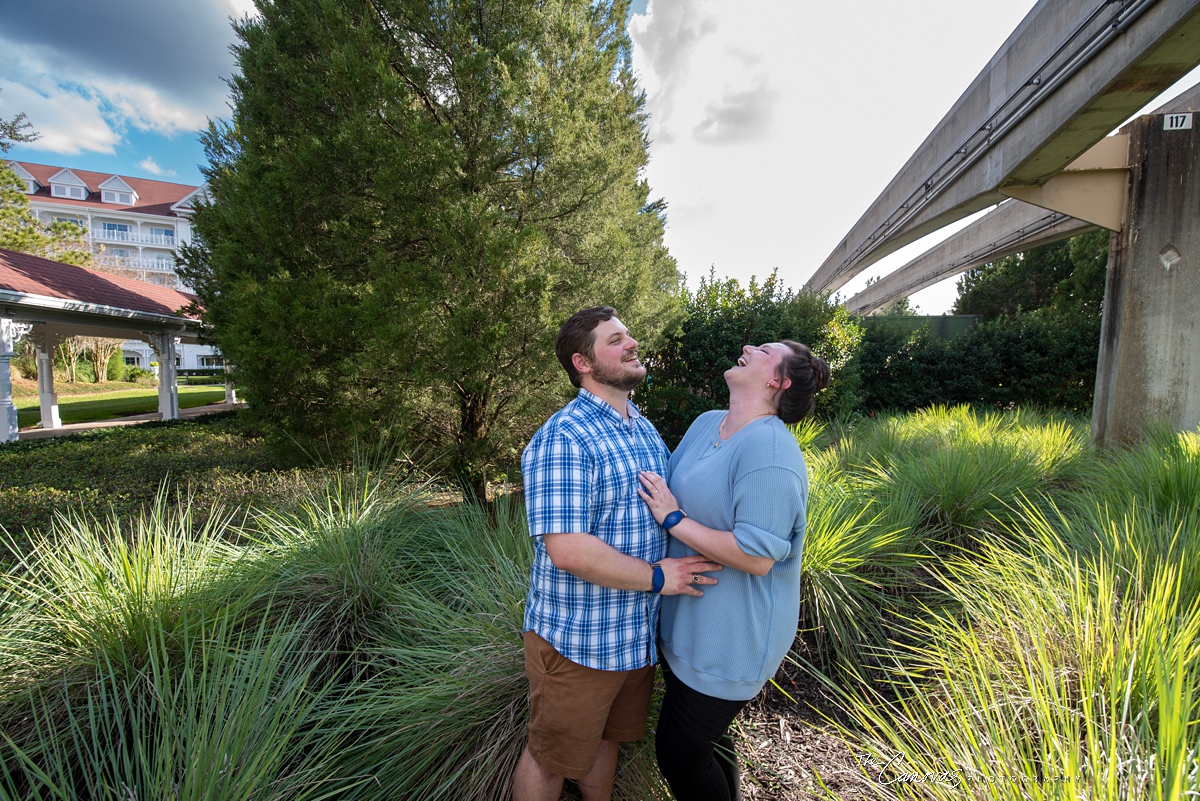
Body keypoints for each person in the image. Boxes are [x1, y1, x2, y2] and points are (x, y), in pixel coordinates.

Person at [512, 306, 724, 801]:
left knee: (608, 741)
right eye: (615, 339)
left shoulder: (643, 430)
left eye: (628, 334)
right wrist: (658, 577)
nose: (631, 343)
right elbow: (567, 550)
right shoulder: (564, 437)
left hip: (633, 640)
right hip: (578, 643)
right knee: (550, 760)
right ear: (583, 363)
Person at [637, 340, 830, 801]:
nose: (747, 346)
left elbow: (756, 555)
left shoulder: (770, 450)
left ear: (776, 382)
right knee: (709, 744)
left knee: (680, 754)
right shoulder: (708, 424)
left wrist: (673, 519)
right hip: (687, 621)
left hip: (733, 637)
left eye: (764, 350)